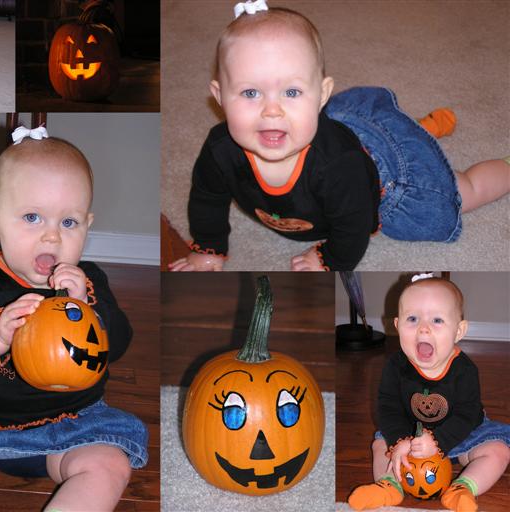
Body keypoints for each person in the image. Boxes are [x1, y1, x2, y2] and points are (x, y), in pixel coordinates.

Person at [0, 127, 148, 512]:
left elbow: (118, 342)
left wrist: (87, 306)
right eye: (32, 217)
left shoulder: (89, 281)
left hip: (71, 428)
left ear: (88, 223)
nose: (51, 238)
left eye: (68, 223)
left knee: (108, 463)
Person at [168, 0, 510, 271]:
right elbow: (206, 200)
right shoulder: (218, 150)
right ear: (219, 96)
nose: (271, 111)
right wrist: (209, 249)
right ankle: (418, 127)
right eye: (250, 93)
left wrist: (330, 259)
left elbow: (352, 227)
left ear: (321, 95)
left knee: (461, 192)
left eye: (291, 92)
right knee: (399, 134)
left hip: (389, 179)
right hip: (351, 131)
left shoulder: (338, 165)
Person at [347, 275, 510, 511]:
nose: (423, 328)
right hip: (409, 437)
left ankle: (463, 488)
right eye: (412, 319)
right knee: (380, 445)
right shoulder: (395, 366)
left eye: (437, 320)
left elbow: (467, 413)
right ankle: (389, 485)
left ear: (458, 331)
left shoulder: (464, 370)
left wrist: (438, 441)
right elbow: (388, 407)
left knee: (498, 451)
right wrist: (401, 440)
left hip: (462, 434)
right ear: (397, 325)